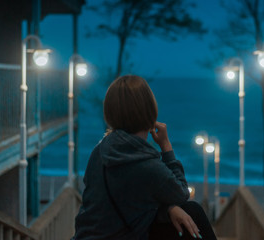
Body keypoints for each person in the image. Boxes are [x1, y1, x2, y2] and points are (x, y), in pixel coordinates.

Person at [73, 75, 217, 240]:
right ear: (149, 111)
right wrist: (166, 147)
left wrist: (168, 209)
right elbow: (182, 193)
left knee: (183, 212)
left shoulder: (99, 151)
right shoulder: (146, 165)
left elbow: (129, 203)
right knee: (192, 211)